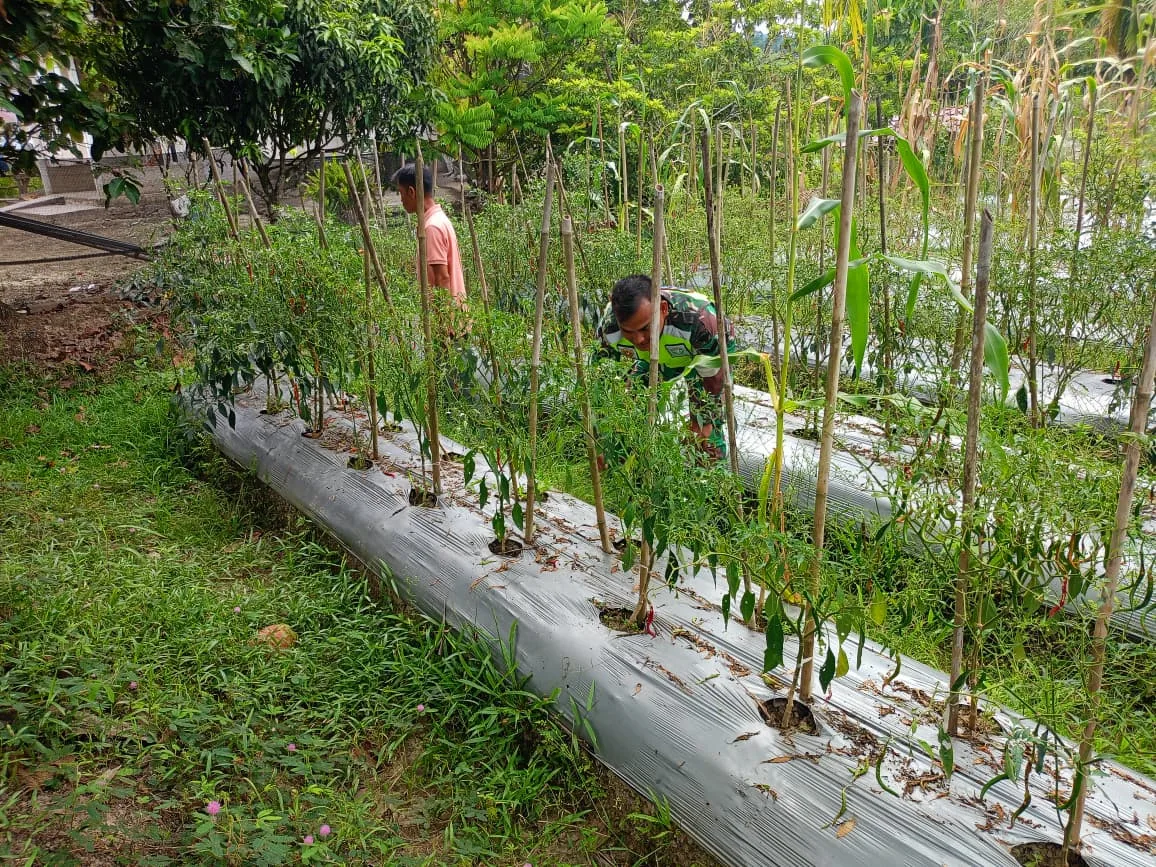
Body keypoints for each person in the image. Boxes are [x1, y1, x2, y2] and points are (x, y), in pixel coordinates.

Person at [596, 274, 739, 460]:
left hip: (701, 358)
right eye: (628, 332)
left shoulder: (699, 321)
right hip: (652, 358)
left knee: (705, 435)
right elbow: (599, 378)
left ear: (663, 309)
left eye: (645, 328)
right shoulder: (610, 328)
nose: (638, 339)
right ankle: (631, 464)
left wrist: (703, 419)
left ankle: (709, 470)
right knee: (630, 414)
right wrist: (601, 436)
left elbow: (713, 377)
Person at [392, 163, 467, 313]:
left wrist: (444, 321)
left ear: (411, 192)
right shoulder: (439, 219)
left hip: (448, 319)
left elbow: (442, 278)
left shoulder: (432, 228)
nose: (401, 200)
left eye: (401, 193)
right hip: (454, 314)